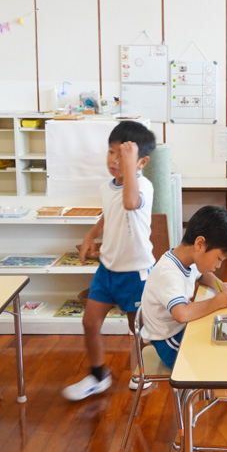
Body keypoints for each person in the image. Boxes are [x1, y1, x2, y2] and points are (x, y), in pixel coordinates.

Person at [63, 121, 158, 401]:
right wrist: (93, 233)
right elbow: (111, 211)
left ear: (142, 161)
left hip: (135, 272)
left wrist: (130, 166)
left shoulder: (144, 186)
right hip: (108, 269)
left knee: (138, 329)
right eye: (111, 152)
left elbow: (129, 202)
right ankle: (97, 376)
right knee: (90, 323)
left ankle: (145, 369)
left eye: (123, 155)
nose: (115, 160)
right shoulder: (107, 186)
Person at [140, 205, 227, 369]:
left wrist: (220, 285)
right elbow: (181, 313)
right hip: (168, 341)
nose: (218, 265)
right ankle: (222, 392)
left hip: (180, 330)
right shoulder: (168, 273)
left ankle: (226, 392)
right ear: (200, 243)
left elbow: (203, 274)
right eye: (219, 258)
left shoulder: (187, 259)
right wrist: (217, 302)